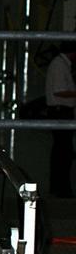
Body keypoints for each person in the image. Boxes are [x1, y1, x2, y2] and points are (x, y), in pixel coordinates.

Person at [46, 48, 76, 197]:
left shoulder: (61, 64)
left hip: (62, 111)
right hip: (61, 111)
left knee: (63, 151)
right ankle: (61, 189)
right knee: (63, 151)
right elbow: (59, 90)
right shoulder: (59, 65)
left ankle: (61, 188)